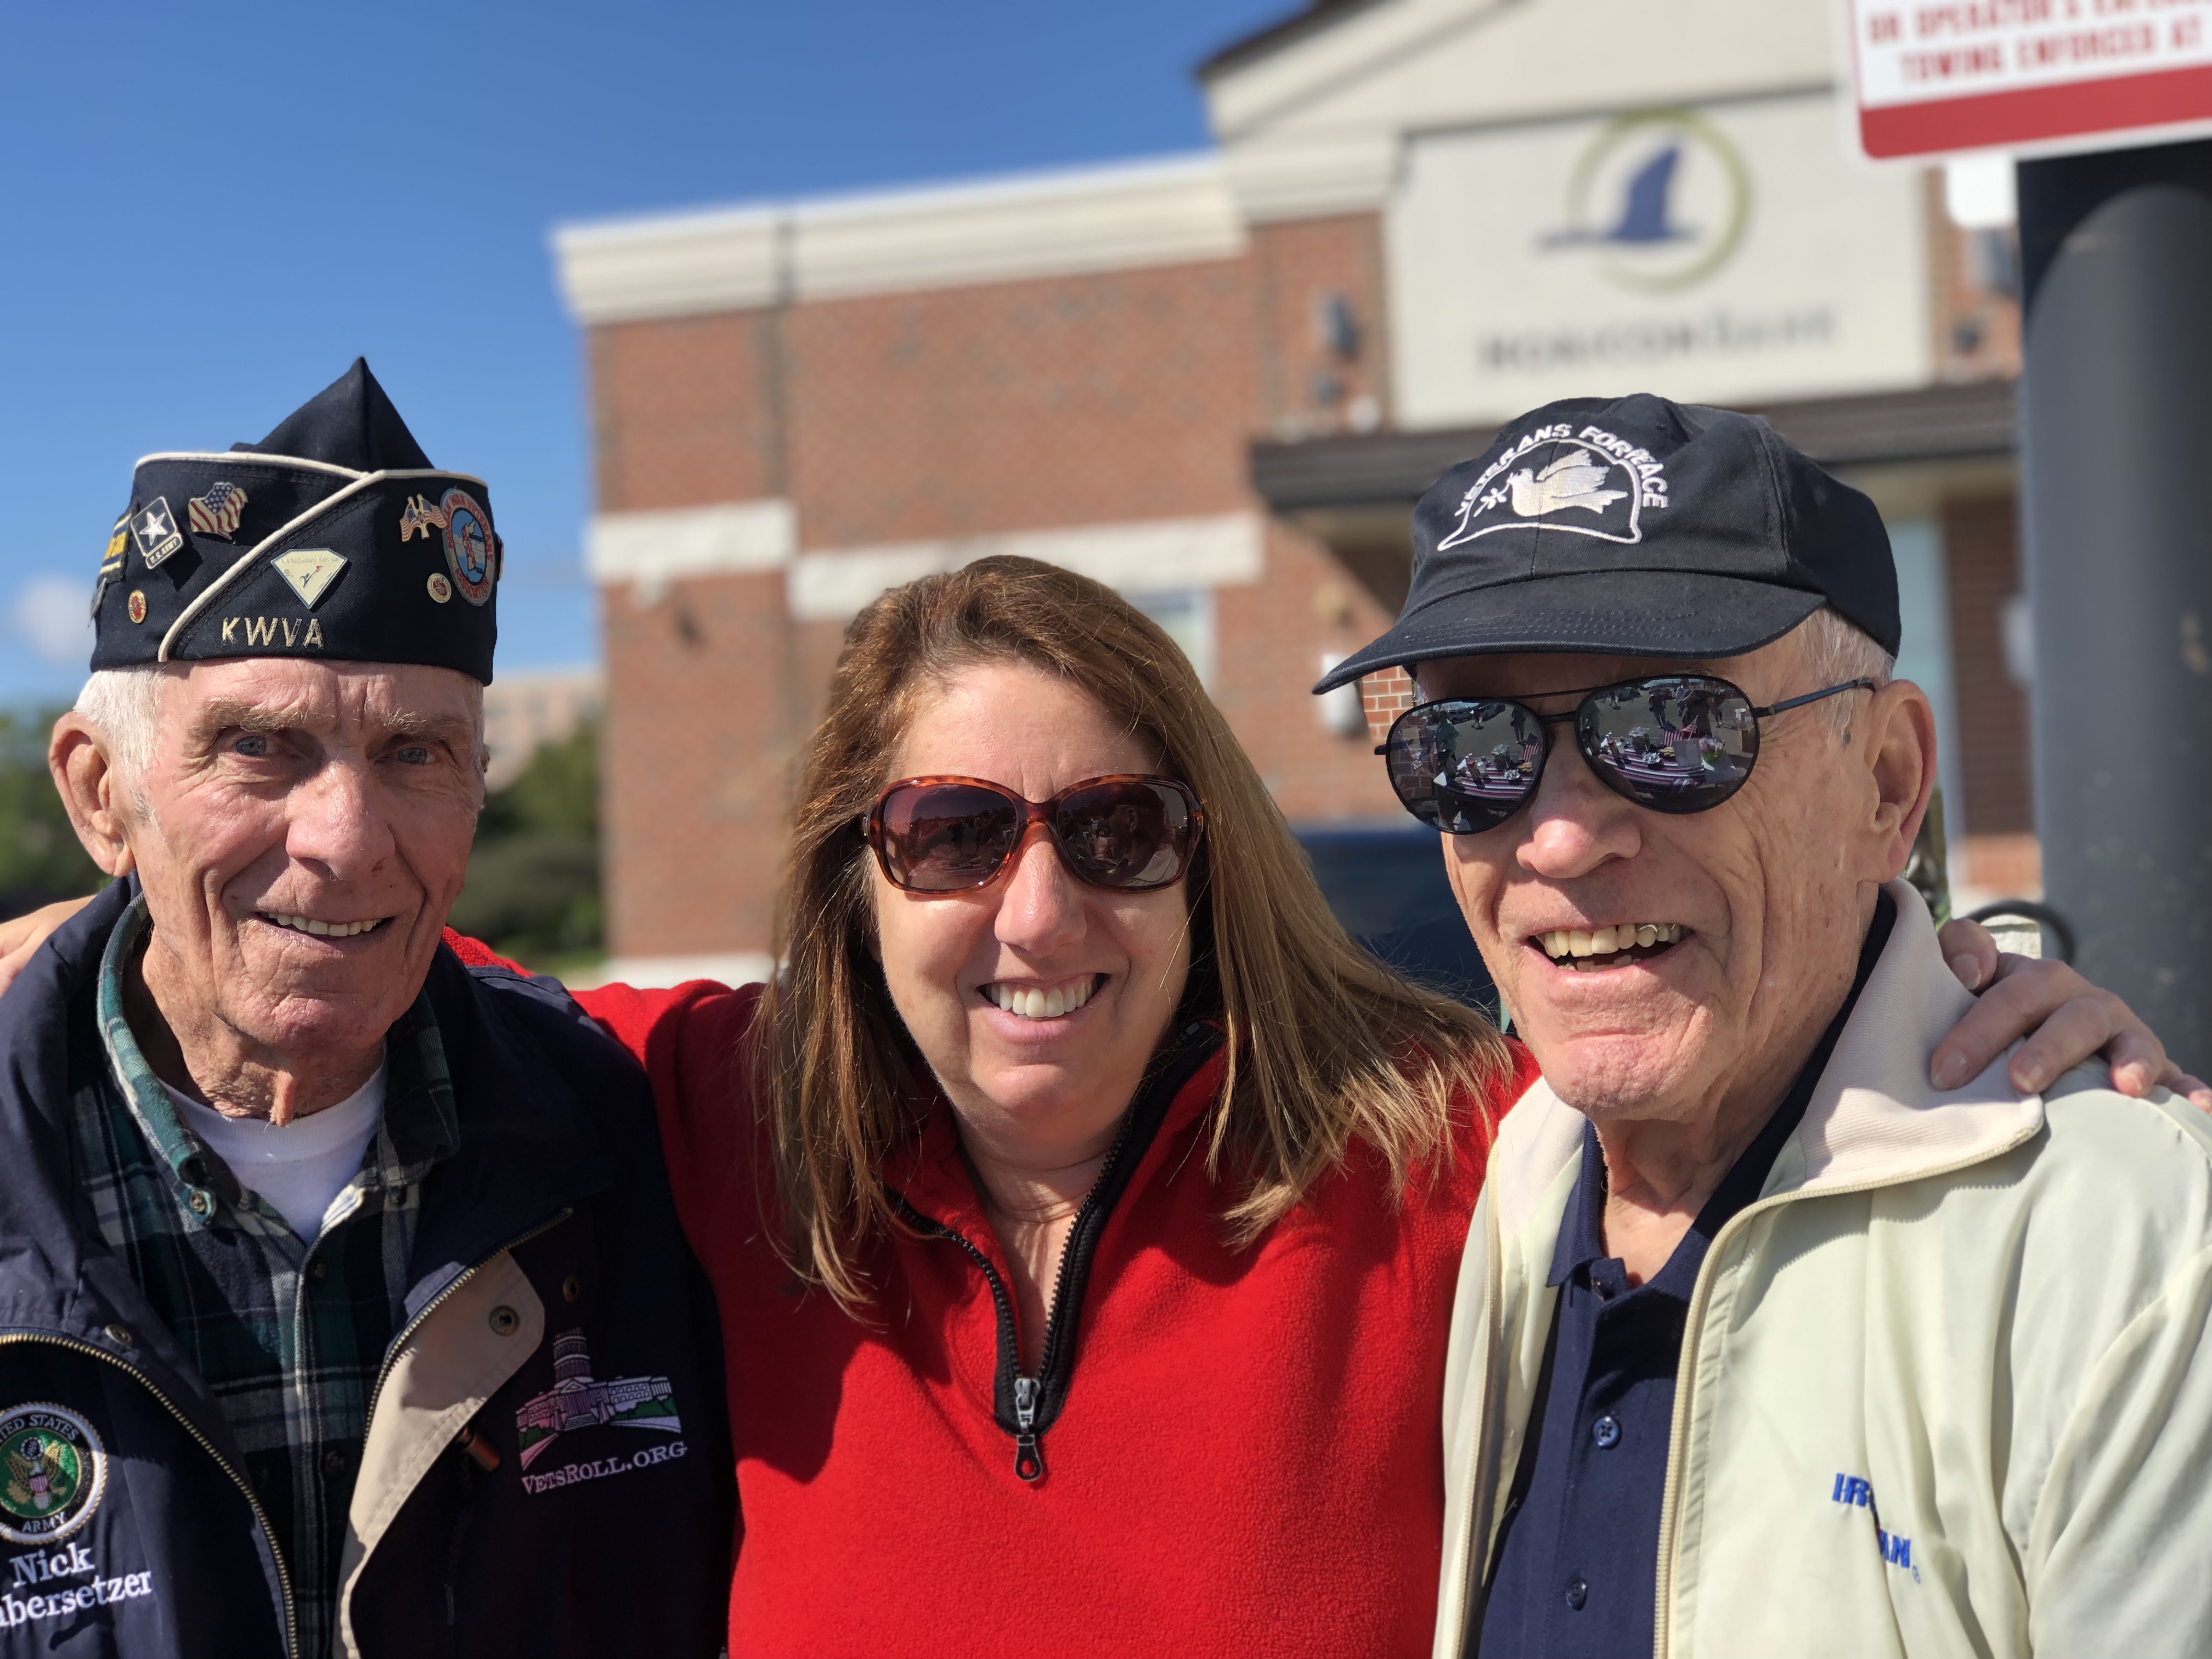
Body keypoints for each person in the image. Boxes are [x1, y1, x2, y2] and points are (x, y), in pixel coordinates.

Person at [1, 460, 2187, 1653]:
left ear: (1204, 852)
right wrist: (52, 946)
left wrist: (1974, 990)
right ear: (856, 875)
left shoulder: (1451, 1150)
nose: (1037, 912)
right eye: (949, 835)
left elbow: (1730, 1046)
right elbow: (346, 922)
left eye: (1118, 830)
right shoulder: (695, 1110)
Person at [1314, 393, 2212, 1657]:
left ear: (1886, 783)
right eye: (1471, 749)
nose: (1559, 836)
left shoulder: (2135, 1259)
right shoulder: (1473, 1183)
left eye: (1670, 729)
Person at [0, 363, 731, 1659]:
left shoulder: (629, 1138)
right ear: (101, 793)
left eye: (417, 754)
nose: (346, 841)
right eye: (259, 747)